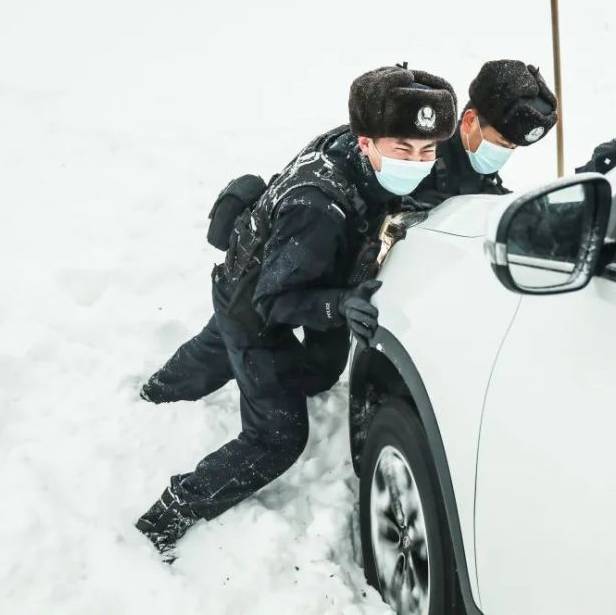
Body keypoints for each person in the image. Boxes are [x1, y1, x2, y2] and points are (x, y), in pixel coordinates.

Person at [135, 64, 458, 558]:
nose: (418, 161)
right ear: (367, 142)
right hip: (256, 306)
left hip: (273, 269)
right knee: (277, 436)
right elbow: (274, 300)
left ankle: (157, 393)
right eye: (404, 149)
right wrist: (339, 304)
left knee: (292, 360)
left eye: (427, 150)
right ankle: (169, 512)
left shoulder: (351, 150)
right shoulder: (318, 207)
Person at [410, 59, 558, 207]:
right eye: (501, 143)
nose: (504, 153)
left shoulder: (483, 176)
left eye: (513, 147)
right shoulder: (417, 162)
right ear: (469, 122)